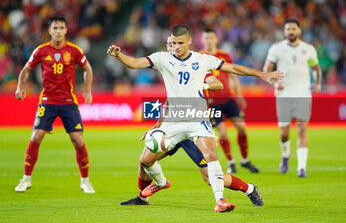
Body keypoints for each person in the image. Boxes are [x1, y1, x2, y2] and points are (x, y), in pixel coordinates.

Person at [108, 25, 282, 212]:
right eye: (173, 43)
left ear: (190, 41)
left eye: (180, 43)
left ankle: (228, 197)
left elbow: (232, 69)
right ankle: (156, 186)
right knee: (145, 160)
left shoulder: (202, 61)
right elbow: (135, 63)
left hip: (196, 121)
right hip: (173, 122)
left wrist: (261, 74)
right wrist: (119, 55)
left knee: (210, 166)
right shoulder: (162, 59)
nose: (176, 47)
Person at [14, 16, 95, 193]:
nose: (58, 31)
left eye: (61, 28)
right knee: (36, 137)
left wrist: (87, 90)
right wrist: (21, 86)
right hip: (48, 101)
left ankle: (85, 181)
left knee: (78, 140)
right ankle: (26, 179)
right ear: (49, 31)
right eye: (55, 28)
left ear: (66, 30)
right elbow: (26, 69)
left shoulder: (74, 50)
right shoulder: (41, 51)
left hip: (68, 101)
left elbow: (87, 68)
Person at [263, 18, 322, 178]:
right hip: (284, 94)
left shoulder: (308, 49)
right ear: (284, 31)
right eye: (288, 29)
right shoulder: (277, 49)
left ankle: (301, 168)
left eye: (293, 29)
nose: (291, 31)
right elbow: (266, 70)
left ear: (299, 31)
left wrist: (317, 83)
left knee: (302, 130)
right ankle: (285, 156)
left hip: (303, 93)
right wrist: (275, 83)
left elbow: (315, 67)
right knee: (284, 133)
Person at [200, 28, 259, 174]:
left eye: (211, 38)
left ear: (216, 39)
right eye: (206, 38)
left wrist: (239, 94)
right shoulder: (198, 57)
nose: (208, 40)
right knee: (223, 134)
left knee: (242, 128)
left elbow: (233, 76)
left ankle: (245, 160)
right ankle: (231, 162)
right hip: (212, 102)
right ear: (202, 40)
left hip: (229, 98)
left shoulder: (224, 55)